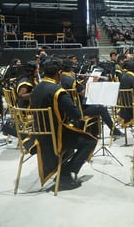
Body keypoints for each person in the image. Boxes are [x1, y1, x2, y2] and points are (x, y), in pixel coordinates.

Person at [30, 58, 97, 189]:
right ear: (59, 73)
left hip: (38, 135)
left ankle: (64, 167)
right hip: (55, 137)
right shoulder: (57, 91)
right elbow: (77, 114)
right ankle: (66, 172)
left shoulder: (36, 88)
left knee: (75, 134)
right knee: (90, 141)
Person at [60, 59, 123, 137]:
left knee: (95, 106)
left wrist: (85, 81)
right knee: (101, 108)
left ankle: (94, 132)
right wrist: (93, 83)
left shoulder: (60, 78)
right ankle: (113, 130)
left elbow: (78, 88)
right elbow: (86, 94)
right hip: (79, 110)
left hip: (67, 110)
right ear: (71, 69)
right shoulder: (71, 80)